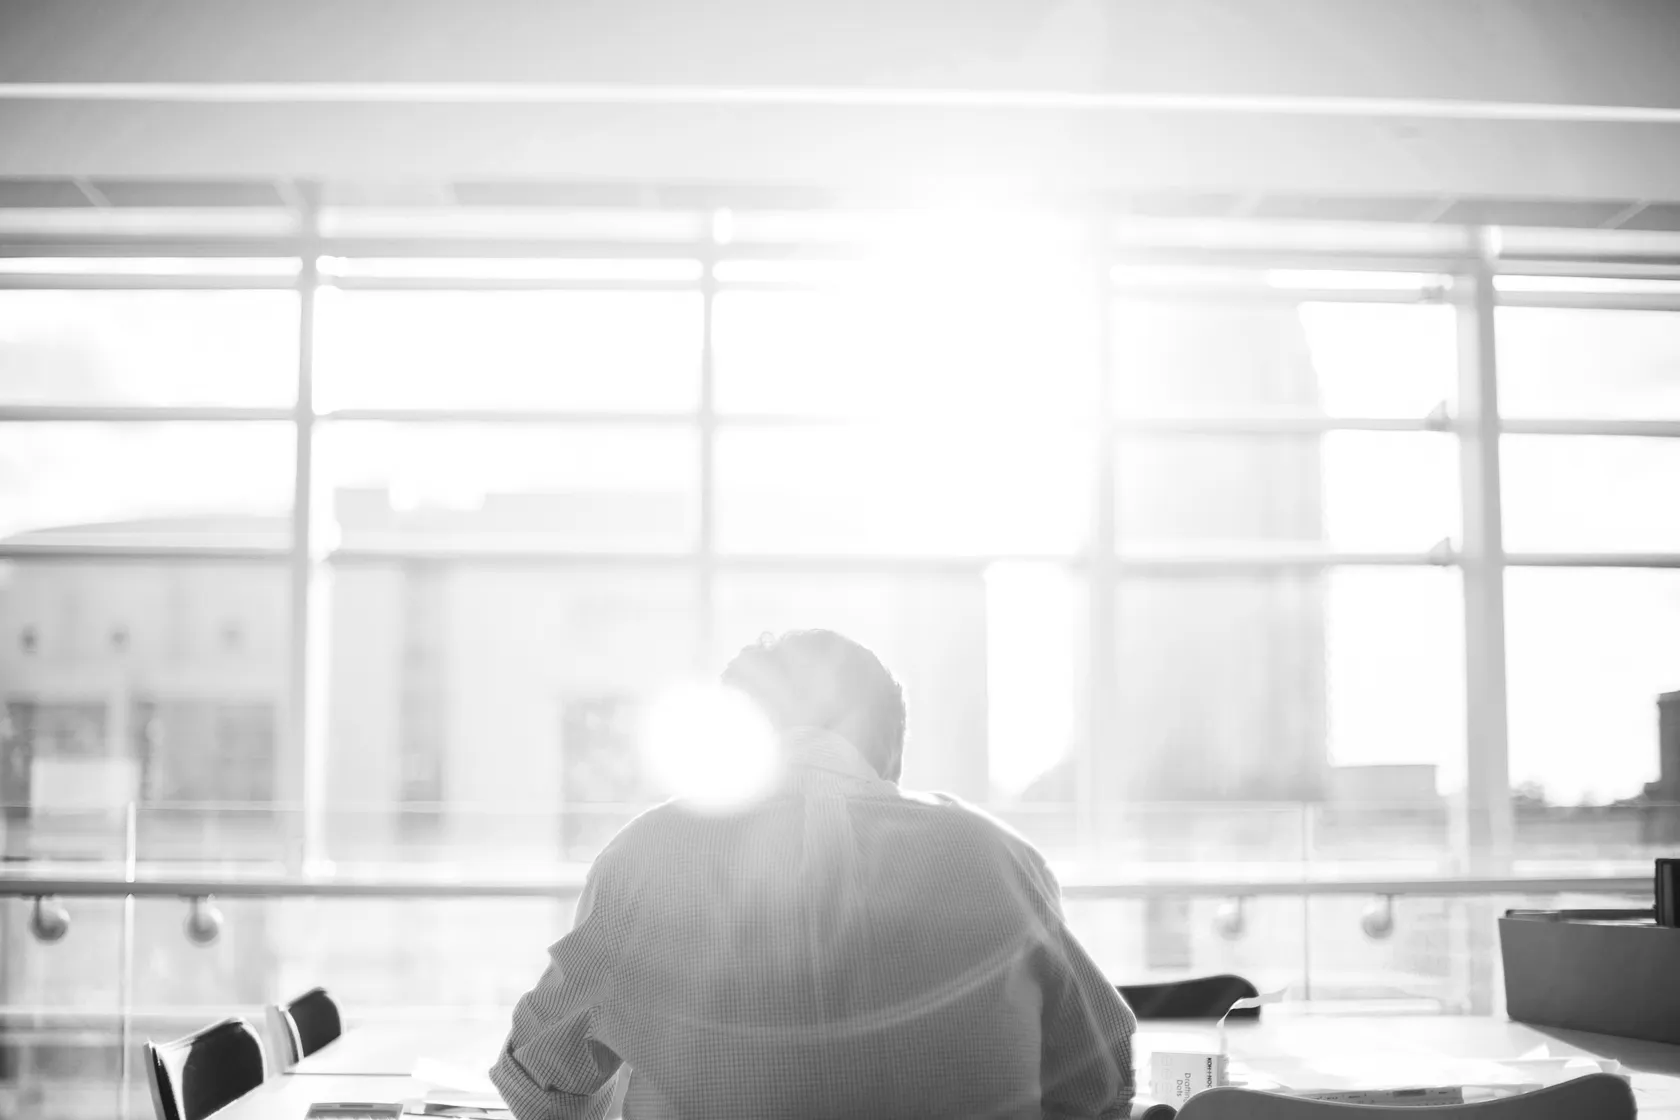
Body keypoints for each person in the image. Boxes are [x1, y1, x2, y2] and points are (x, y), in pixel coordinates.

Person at [491, 629, 1136, 1119]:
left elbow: (539, 1079)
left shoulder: (649, 855)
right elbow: (1101, 1078)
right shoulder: (999, 858)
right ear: (892, 751)